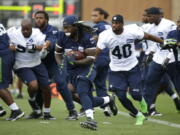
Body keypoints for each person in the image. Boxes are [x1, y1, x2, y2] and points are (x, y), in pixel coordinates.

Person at [95, 14, 163, 125]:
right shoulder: (105, 35)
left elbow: (148, 36)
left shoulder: (132, 31)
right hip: (116, 70)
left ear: (122, 24)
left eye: (117, 23)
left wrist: (162, 42)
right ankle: (138, 115)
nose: (114, 25)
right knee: (121, 97)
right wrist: (92, 62)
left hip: (132, 67)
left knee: (135, 94)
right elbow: (97, 52)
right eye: (113, 23)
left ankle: (142, 102)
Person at [55, 15, 118, 130]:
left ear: (75, 27)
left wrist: (76, 61)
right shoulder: (62, 37)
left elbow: (91, 58)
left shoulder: (87, 37)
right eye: (64, 28)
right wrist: (61, 64)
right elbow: (58, 52)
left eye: (68, 28)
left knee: (82, 91)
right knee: (75, 93)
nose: (66, 30)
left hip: (87, 67)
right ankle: (108, 99)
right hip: (71, 70)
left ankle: (91, 120)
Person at [32, 11, 78, 120]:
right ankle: (38, 111)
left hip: (52, 62)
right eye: (36, 18)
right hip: (37, 63)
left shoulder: (52, 30)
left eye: (41, 18)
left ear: (46, 19)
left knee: (61, 83)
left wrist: (45, 45)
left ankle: (72, 111)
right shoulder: (32, 30)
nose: (38, 20)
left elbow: (51, 42)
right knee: (38, 86)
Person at [8, 19, 54, 120]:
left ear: (31, 29)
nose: (25, 32)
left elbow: (44, 47)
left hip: (37, 63)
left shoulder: (38, 34)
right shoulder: (13, 32)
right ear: (20, 28)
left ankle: (47, 113)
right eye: (23, 30)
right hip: (21, 64)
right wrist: (15, 47)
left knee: (46, 87)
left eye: (27, 30)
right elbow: (5, 44)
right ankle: (32, 100)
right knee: (33, 86)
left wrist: (35, 47)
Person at [143, 7, 180, 114]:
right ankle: (145, 109)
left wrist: (169, 57)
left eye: (149, 16)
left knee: (178, 85)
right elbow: (157, 42)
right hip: (158, 59)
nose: (147, 18)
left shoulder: (169, 25)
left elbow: (173, 42)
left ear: (157, 15)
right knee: (149, 83)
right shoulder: (152, 26)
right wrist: (151, 53)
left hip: (172, 59)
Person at [0, 23, 24, 121]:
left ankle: (16, 110)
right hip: (7, 54)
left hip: (2, 55)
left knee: (0, 86)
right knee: (2, 85)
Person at [91, 8, 112, 116]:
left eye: (95, 15)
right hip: (107, 57)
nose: (93, 18)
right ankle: (106, 106)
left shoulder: (97, 26)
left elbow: (93, 39)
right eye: (92, 15)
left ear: (103, 16)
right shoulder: (110, 25)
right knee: (101, 84)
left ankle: (88, 107)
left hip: (97, 57)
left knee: (87, 81)